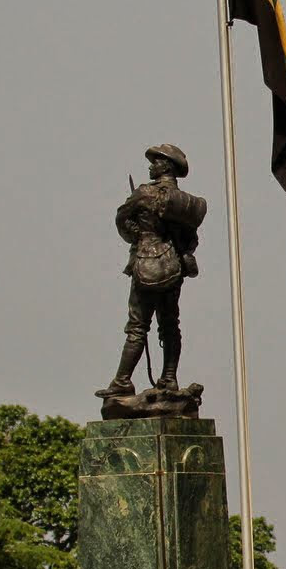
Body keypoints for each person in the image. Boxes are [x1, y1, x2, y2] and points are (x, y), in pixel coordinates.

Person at [96, 144, 207, 399]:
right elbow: (192, 237)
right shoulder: (188, 203)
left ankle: (122, 380)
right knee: (169, 325)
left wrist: (136, 236)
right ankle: (169, 378)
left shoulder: (143, 193)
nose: (151, 166)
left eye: (155, 162)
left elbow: (121, 219)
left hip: (146, 261)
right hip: (173, 265)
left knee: (137, 326)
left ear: (166, 166)